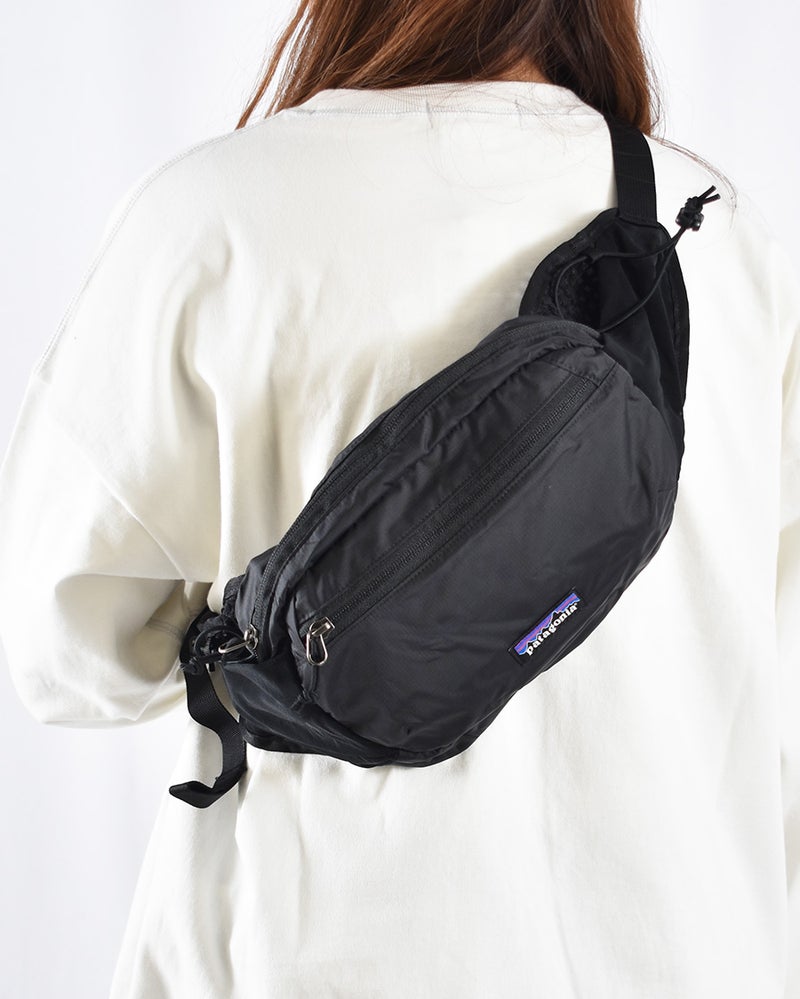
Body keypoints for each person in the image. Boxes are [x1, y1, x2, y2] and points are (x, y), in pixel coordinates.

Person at [0, 0, 797, 996]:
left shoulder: (210, 219)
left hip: (323, 956)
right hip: (688, 957)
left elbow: (68, 656)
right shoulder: (732, 239)